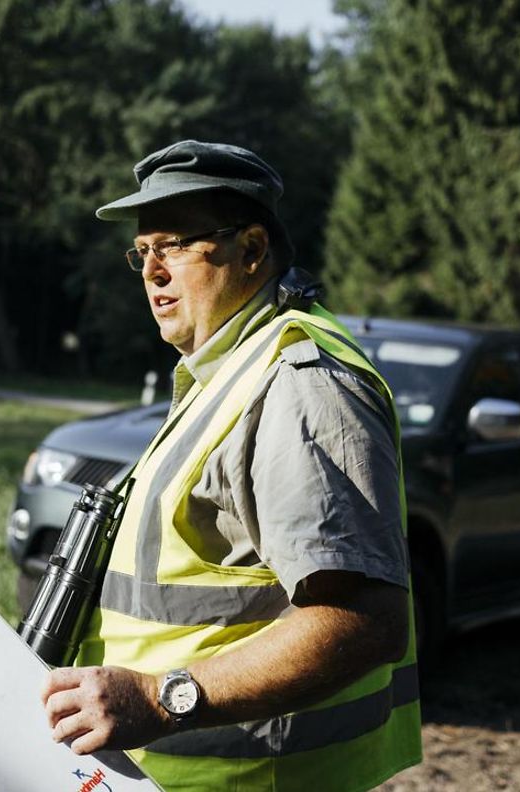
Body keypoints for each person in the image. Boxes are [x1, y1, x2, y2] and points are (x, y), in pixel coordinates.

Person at [40, 140, 422, 791]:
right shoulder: (226, 371)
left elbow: (363, 623)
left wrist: (162, 699)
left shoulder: (299, 384)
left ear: (251, 250)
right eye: (143, 251)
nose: (152, 271)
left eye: (175, 245)